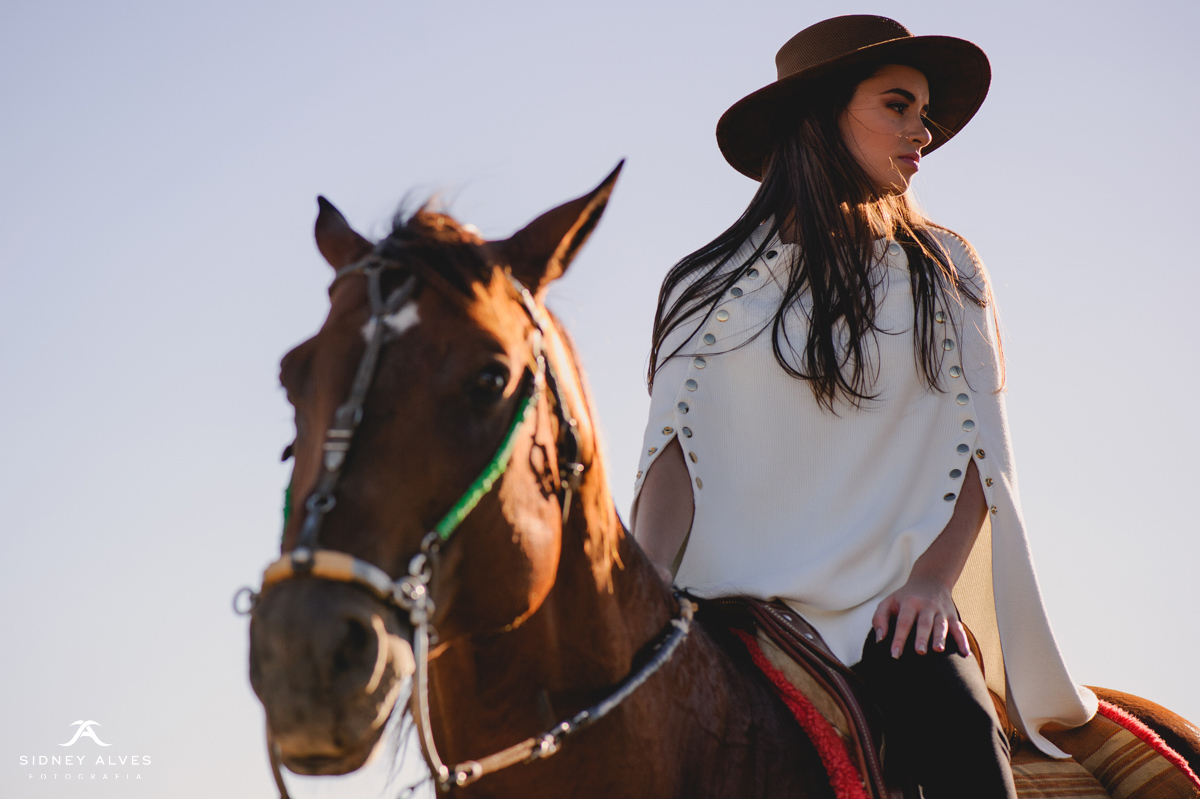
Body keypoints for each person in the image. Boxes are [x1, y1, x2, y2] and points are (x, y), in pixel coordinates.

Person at [629, 15, 1097, 798]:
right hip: (726, 608)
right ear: (820, 116)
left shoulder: (947, 272)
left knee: (958, 729)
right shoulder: (699, 286)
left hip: (890, 612)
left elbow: (983, 454)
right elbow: (672, 453)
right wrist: (642, 588)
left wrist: (932, 583)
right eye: (897, 106)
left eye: (925, 114)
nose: (923, 132)